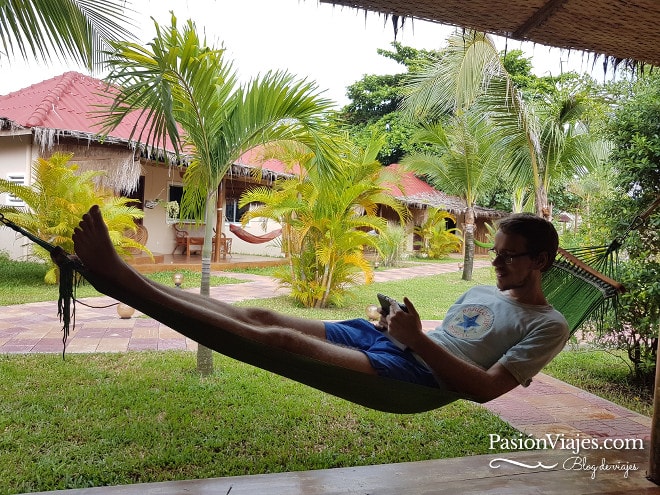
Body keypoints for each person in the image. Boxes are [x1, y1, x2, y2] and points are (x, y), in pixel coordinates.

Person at [55, 205, 568, 404]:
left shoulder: (549, 325)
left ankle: (122, 281)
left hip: (421, 378)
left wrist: (414, 343)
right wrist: (400, 327)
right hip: (396, 343)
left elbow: (482, 389)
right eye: (494, 254)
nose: (495, 265)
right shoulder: (483, 291)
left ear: (541, 259)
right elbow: (459, 337)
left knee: (280, 342)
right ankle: (129, 280)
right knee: (262, 316)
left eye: (508, 257)